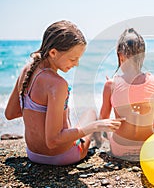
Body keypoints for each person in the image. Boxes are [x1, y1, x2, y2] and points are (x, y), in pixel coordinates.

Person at [4, 20, 121, 166]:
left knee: (80, 120)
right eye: (73, 59)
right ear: (53, 52)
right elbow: (53, 141)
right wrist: (95, 125)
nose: (76, 64)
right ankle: (98, 142)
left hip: (33, 154)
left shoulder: (27, 70)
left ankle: (97, 140)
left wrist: (40, 111)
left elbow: (10, 113)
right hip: (62, 156)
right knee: (91, 114)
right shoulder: (58, 84)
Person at [99, 28, 154, 160]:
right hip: (146, 149)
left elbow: (103, 122)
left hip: (120, 149)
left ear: (121, 56)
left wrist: (113, 90)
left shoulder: (110, 85)